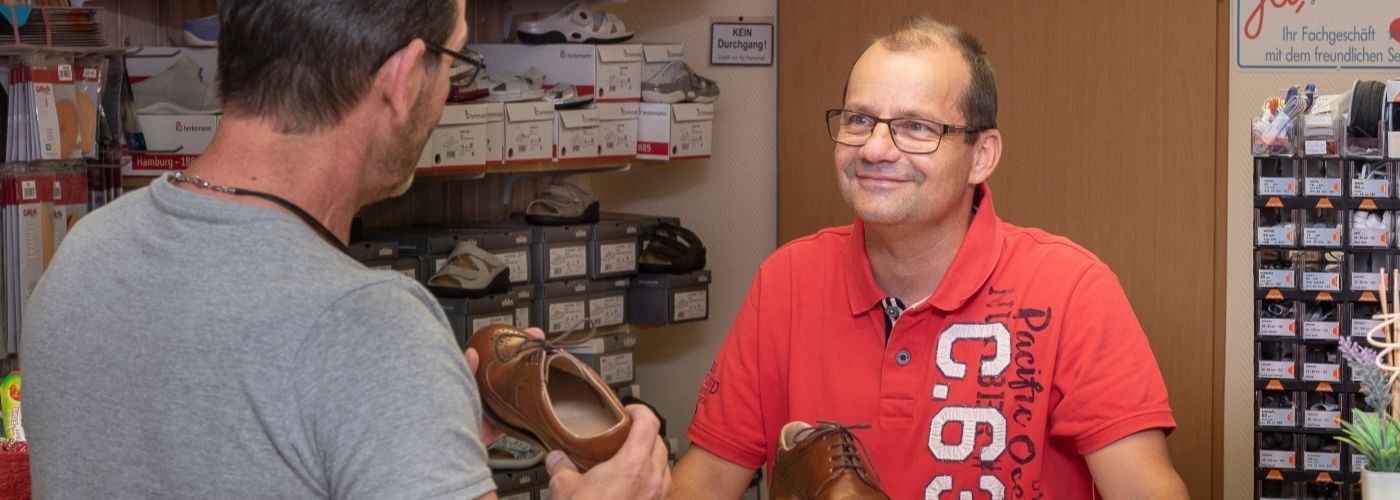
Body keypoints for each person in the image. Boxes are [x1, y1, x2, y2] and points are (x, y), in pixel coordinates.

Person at [21, 1, 668, 498]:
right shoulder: (369, 324)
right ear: (404, 76)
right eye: (456, 64)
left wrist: (416, 440)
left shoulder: (85, 255)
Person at [669, 16, 1189, 499]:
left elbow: (1146, 488)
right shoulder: (787, 280)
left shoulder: (1071, 288)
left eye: (917, 127)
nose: (875, 148)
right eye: (859, 119)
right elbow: (710, 475)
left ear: (981, 156)